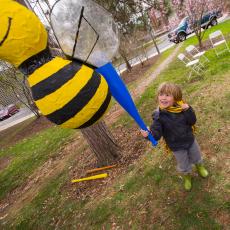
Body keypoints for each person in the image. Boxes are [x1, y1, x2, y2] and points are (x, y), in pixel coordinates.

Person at [140, 82, 208, 191]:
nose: (163, 98)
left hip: (189, 140)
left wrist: (188, 110)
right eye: (161, 94)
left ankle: (200, 167)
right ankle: (187, 176)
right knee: (183, 163)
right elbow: (156, 134)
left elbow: (192, 121)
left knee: (196, 156)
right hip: (176, 146)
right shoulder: (158, 116)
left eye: (168, 95)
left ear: (175, 97)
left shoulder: (181, 107)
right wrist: (149, 134)